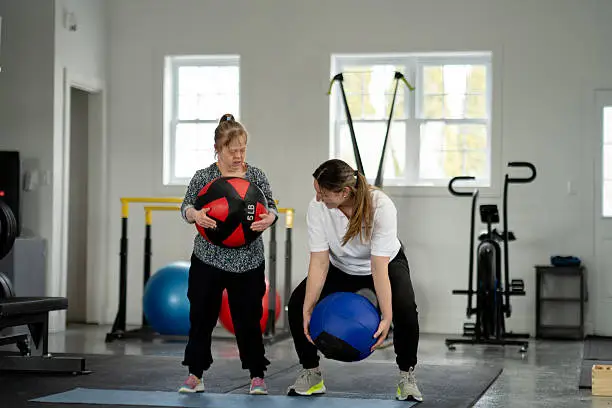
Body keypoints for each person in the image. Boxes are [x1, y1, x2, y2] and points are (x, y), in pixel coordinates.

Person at [286, 158, 422, 402]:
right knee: (297, 305)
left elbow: (378, 265)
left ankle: (407, 377)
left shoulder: (381, 206)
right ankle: (311, 374)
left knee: (405, 310)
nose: (318, 198)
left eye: (323, 192)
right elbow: (319, 260)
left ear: (344, 192)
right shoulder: (318, 208)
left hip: (386, 263)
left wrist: (387, 316)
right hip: (340, 265)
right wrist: (308, 306)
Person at [178, 113, 278, 395]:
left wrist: (270, 217)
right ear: (218, 149)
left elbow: (271, 207)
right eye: (232, 150)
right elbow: (185, 208)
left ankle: (257, 376)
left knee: (248, 319)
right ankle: (195, 375)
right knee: (201, 318)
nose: (238, 156)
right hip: (208, 259)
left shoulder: (256, 176)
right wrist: (194, 213)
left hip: (248, 261)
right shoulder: (204, 177)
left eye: (242, 149)